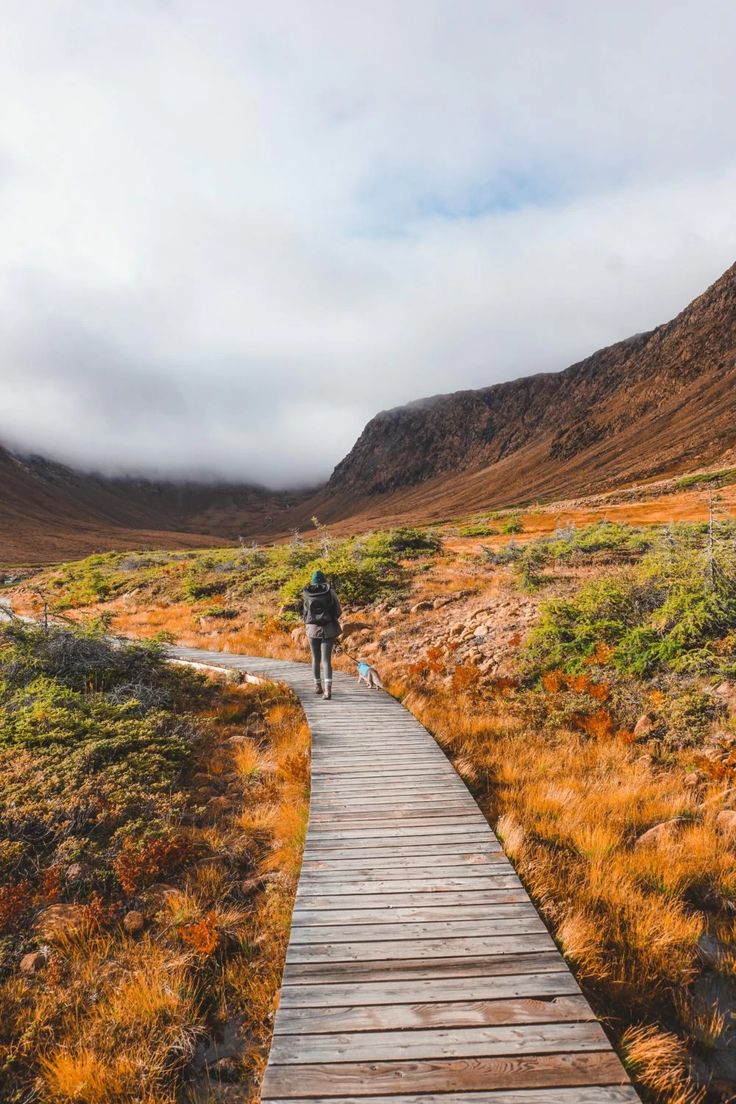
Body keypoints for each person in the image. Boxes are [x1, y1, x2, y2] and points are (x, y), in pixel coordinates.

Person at [302, 569, 342, 700]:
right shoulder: (330, 592)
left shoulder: (307, 594)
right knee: (326, 660)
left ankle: (317, 686)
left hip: (312, 629)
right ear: (324, 579)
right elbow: (338, 611)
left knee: (315, 658)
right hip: (328, 629)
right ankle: (328, 691)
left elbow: (305, 613)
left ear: (312, 581)